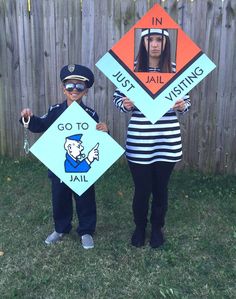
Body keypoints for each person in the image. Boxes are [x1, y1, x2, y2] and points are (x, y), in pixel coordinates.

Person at [113, 29, 191, 248]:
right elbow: (117, 98)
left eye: (159, 39)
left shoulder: (175, 70)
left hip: (168, 142)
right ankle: (140, 227)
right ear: (143, 43)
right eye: (150, 39)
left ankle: (157, 228)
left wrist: (183, 105)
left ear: (166, 43)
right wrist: (124, 104)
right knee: (142, 190)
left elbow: (186, 102)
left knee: (160, 189)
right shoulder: (132, 71)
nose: (155, 44)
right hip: (139, 142)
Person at [20, 64, 108, 249]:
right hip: (58, 165)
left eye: (79, 86)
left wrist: (104, 131)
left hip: (83, 167)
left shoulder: (91, 114)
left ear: (86, 91)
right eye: (69, 86)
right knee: (59, 197)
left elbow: (97, 140)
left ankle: (86, 231)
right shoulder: (55, 111)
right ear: (63, 89)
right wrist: (28, 117)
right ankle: (61, 228)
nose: (74, 90)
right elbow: (39, 125)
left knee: (85, 197)